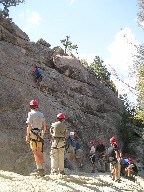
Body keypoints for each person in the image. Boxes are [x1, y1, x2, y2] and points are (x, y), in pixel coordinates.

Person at [26, 100, 46, 176]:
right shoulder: (41, 114)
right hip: (40, 134)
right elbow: (44, 126)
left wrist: (27, 136)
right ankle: (42, 168)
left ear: (31, 106)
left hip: (33, 134)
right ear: (36, 106)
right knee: (40, 151)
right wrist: (42, 134)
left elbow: (29, 126)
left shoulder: (30, 114)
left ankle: (39, 169)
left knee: (35, 152)